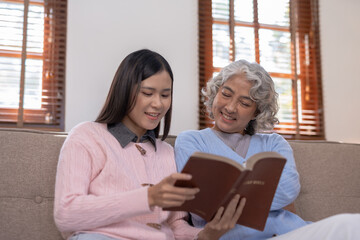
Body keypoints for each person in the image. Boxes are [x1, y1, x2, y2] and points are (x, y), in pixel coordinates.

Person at [53, 49, 246, 240]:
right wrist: (148, 197)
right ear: (124, 91)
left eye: (165, 95)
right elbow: (66, 213)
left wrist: (206, 235)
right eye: (147, 93)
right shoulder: (87, 136)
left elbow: (175, 225)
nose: (158, 104)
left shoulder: (167, 152)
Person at [174, 59, 360, 240]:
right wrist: (259, 184)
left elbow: (288, 190)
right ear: (215, 93)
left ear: (257, 112)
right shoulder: (190, 141)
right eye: (226, 94)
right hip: (229, 236)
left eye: (245, 103)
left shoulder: (274, 143)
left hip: (292, 231)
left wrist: (231, 189)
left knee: (353, 225)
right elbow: (207, 199)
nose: (230, 107)